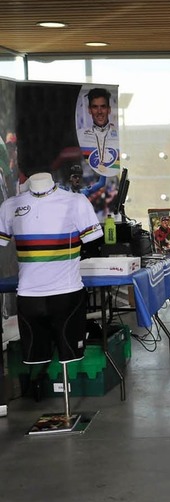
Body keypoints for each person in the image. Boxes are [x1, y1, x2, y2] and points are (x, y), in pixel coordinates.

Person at [0, 172, 104, 414]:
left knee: (70, 354)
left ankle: (67, 412)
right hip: (28, 297)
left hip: (67, 295)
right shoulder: (10, 206)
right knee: (36, 357)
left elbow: (93, 240)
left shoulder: (75, 202)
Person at [79, 88, 118, 177]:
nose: (99, 111)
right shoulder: (80, 135)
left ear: (109, 109)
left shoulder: (120, 135)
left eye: (103, 107)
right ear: (89, 110)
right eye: (95, 107)